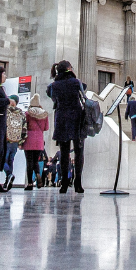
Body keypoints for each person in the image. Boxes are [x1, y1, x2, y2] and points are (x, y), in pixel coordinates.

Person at [47, 60, 86, 194]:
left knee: (64, 153)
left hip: (61, 118)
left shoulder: (54, 85)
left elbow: (51, 96)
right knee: (79, 150)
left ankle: (63, 184)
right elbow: (84, 93)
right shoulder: (76, 82)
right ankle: (78, 182)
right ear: (69, 69)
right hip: (76, 117)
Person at [22, 93, 49, 190]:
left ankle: (29, 183)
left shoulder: (27, 113)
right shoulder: (44, 114)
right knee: (35, 161)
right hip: (39, 141)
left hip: (29, 139)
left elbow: (24, 126)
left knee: (29, 161)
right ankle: (38, 174)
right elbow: (46, 128)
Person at [3, 93, 27, 190]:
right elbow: (24, 129)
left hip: (6, 140)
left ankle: (9, 175)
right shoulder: (21, 113)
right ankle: (7, 183)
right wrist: (21, 142)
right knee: (10, 161)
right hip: (16, 141)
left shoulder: (6, 111)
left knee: (2, 160)